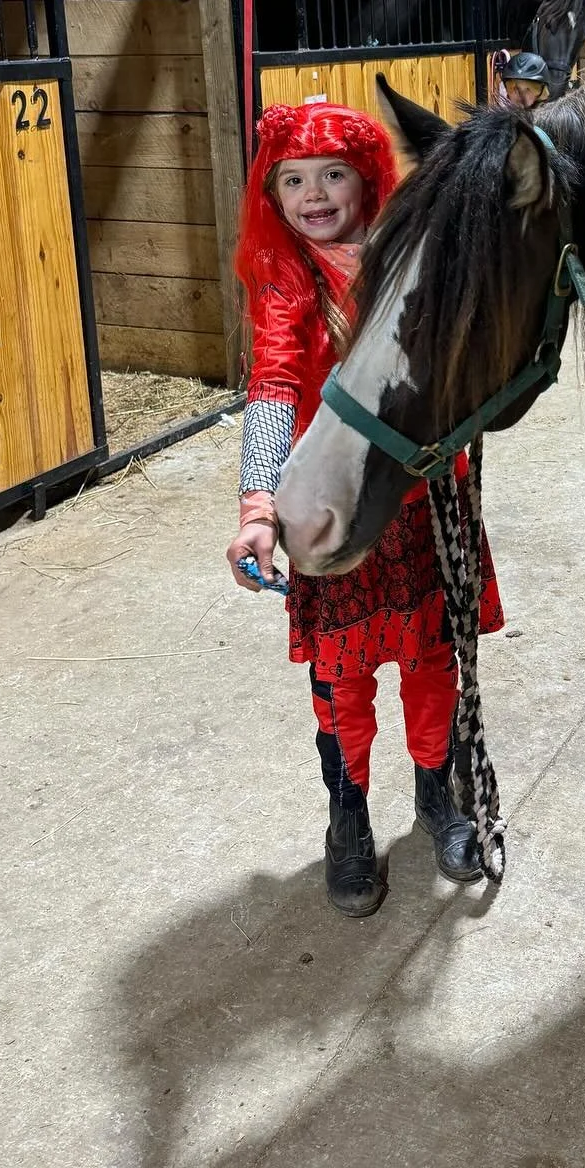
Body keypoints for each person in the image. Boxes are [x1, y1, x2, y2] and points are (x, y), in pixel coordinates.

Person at [225, 100, 504, 917]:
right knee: (340, 683)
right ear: (272, 193)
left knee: (431, 665)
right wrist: (257, 503)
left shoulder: (405, 256)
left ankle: (436, 796)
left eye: (333, 175)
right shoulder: (285, 283)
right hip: (330, 511)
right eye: (294, 180)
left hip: (418, 498)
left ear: (368, 177)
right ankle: (347, 818)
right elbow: (275, 386)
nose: (314, 196)